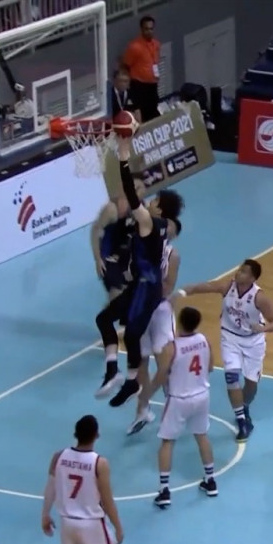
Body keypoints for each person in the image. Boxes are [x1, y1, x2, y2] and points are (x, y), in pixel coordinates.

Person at [94, 137, 180, 408]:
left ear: (159, 209)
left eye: (154, 201)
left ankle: (132, 381)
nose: (149, 201)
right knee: (104, 319)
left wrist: (123, 156)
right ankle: (112, 370)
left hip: (148, 287)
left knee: (131, 334)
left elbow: (131, 195)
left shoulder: (149, 222)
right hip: (138, 284)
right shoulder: (161, 224)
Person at [174, 259, 273, 442]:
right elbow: (206, 287)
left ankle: (244, 406)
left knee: (251, 385)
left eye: (244, 271)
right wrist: (184, 291)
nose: (238, 272)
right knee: (231, 377)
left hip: (253, 342)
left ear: (252, 278)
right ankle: (241, 421)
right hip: (230, 338)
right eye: (239, 269)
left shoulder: (259, 297)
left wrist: (263, 328)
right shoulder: (227, 287)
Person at [140, 306, 219, 507]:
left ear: (180, 322)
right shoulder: (205, 340)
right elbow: (210, 367)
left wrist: (147, 394)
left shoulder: (171, 347)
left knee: (167, 442)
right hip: (202, 395)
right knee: (202, 436)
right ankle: (210, 481)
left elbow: (161, 375)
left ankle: (164, 490)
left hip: (179, 398)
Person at [126, 194, 184, 433]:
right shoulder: (140, 239)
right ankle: (142, 411)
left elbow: (167, 287)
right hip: (139, 305)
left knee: (165, 364)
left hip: (158, 309)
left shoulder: (171, 253)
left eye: (155, 201)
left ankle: (156, 401)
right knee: (141, 359)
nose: (149, 202)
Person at [41, 415, 123, 544]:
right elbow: (107, 501)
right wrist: (118, 527)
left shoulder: (58, 456)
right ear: (97, 435)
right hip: (92, 525)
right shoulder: (99, 463)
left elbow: (50, 488)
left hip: (67, 524)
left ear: (76, 434)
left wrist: (45, 514)